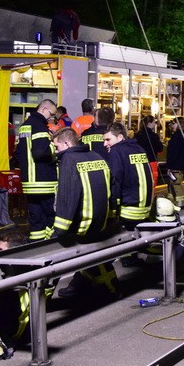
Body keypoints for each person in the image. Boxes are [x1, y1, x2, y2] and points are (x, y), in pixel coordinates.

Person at [51, 127, 120, 297]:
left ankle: (41, 301)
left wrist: (59, 232)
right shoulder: (97, 157)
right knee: (96, 260)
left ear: (67, 143)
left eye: (57, 147)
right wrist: (111, 218)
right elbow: (113, 189)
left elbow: (68, 196)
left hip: (82, 228)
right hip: (101, 225)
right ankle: (111, 288)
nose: (56, 152)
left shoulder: (69, 159)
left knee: (53, 261)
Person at [13, 99, 58, 242]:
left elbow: (18, 154)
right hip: (43, 181)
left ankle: (36, 244)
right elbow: (39, 152)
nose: (51, 119)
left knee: (35, 216)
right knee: (50, 214)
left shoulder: (25, 126)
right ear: (44, 109)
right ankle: (49, 244)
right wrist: (53, 150)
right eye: (51, 115)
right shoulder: (39, 126)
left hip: (29, 182)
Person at [103, 122, 155, 232]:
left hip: (128, 213)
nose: (105, 144)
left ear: (120, 137)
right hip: (145, 211)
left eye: (108, 140)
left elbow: (115, 181)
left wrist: (113, 211)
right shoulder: (139, 149)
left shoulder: (116, 150)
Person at [164, 117, 184, 206]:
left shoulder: (177, 136)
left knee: (176, 187)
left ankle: (180, 206)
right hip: (179, 166)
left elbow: (173, 154)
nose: (172, 126)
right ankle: (172, 204)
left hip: (175, 167)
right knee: (172, 187)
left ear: (179, 124)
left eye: (173, 124)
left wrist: (169, 166)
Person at [136, 115, 163, 185]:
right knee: (152, 180)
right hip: (151, 161)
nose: (155, 124)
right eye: (154, 122)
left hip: (139, 161)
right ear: (149, 123)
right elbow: (160, 148)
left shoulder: (138, 135)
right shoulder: (154, 136)